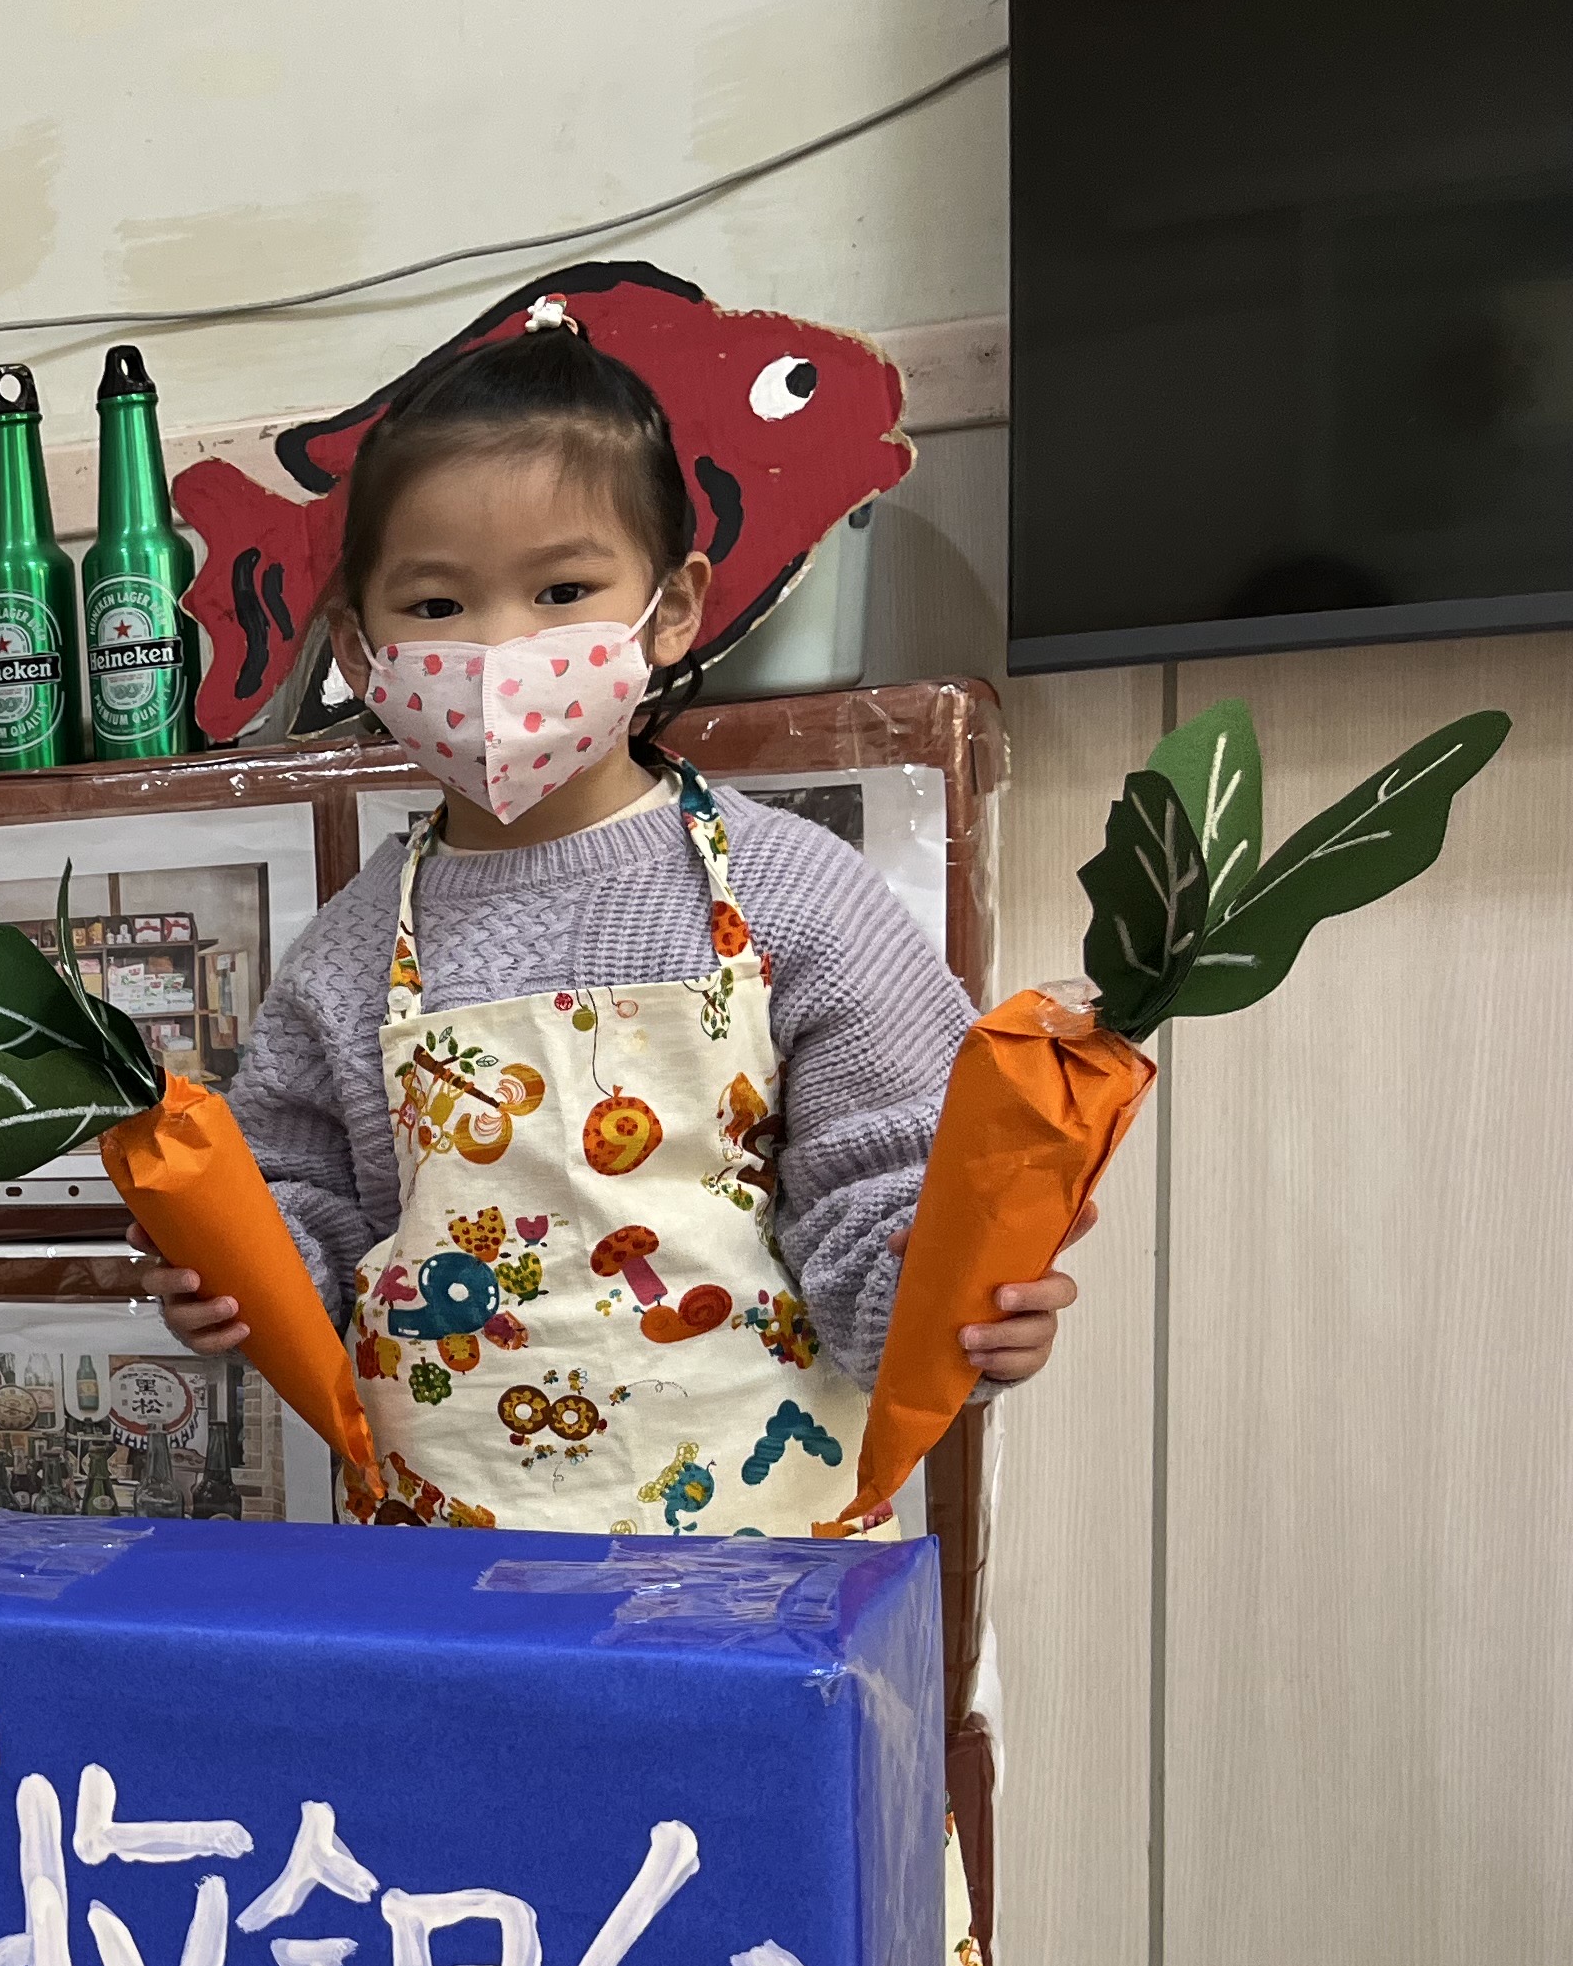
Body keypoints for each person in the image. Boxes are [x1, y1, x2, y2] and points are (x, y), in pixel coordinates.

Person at [140, 322, 1081, 1531]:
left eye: (562, 593)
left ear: (672, 607)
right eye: (436, 602)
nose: (499, 648)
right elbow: (301, 1211)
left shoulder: (801, 892)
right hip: (448, 1572)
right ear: (361, 651)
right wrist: (236, 1274)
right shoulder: (346, 952)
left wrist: (955, 1298)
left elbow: (893, 1196)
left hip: (754, 1577)